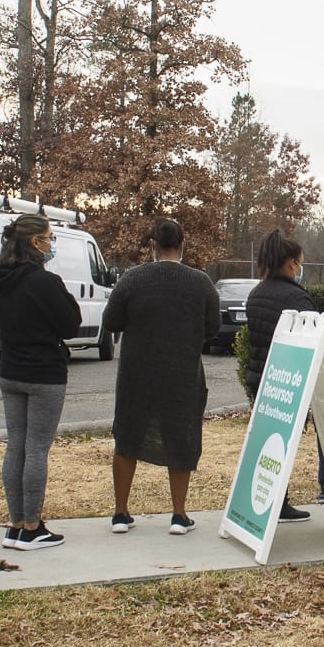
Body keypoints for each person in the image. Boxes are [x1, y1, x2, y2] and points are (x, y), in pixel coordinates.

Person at [100, 219, 220, 534]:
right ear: (182, 246)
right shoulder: (202, 282)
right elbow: (213, 329)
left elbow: (110, 322)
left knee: (127, 437)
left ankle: (120, 513)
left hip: (136, 373)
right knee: (181, 438)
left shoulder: (131, 279)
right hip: (182, 373)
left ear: (152, 246)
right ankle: (179, 515)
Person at [0, 214, 81, 549]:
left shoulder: (0, 279)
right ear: (34, 242)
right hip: (44, 374)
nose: (51, 242)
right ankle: (32, 526)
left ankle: (16, 524)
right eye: (49, 237)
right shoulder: (44, 282)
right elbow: (70, 325)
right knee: (37, 448)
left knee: (16, 445)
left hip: (11, 370)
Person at [244, 228, 324, 520]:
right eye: (300, 262)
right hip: (288, 382)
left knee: (266, 444)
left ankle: (265, 501)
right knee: (282, 447)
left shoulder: (256, 293)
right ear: (292, 263)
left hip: (259, 378)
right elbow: (314, 341)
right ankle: (277, 504)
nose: (301, 268)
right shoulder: (296, 298)